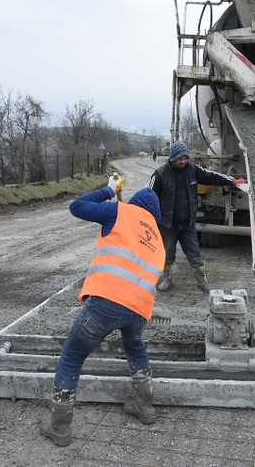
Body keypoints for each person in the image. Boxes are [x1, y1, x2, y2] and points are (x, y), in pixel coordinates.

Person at [40, 176, 165, 447]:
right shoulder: (158, 239)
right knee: (135, 350)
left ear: (135, 204)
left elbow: (77, 206)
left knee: (72, 358)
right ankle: (146, 408)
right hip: (138, 311)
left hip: (106, 303)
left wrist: (110, 190)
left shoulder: (120, 210)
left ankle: (60, 428)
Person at [148, 141, 245, 292]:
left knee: (194, 254)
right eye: (180, 159)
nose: (183, 161)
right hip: (167, 224)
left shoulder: (192, 170)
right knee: (168, 253)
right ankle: (166, 278)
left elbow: (211, 176)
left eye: (185, 158)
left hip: (187, 224)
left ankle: (202, 281)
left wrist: (231, 180)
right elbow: (148, 196)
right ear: (173, 158)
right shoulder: (160, 174)